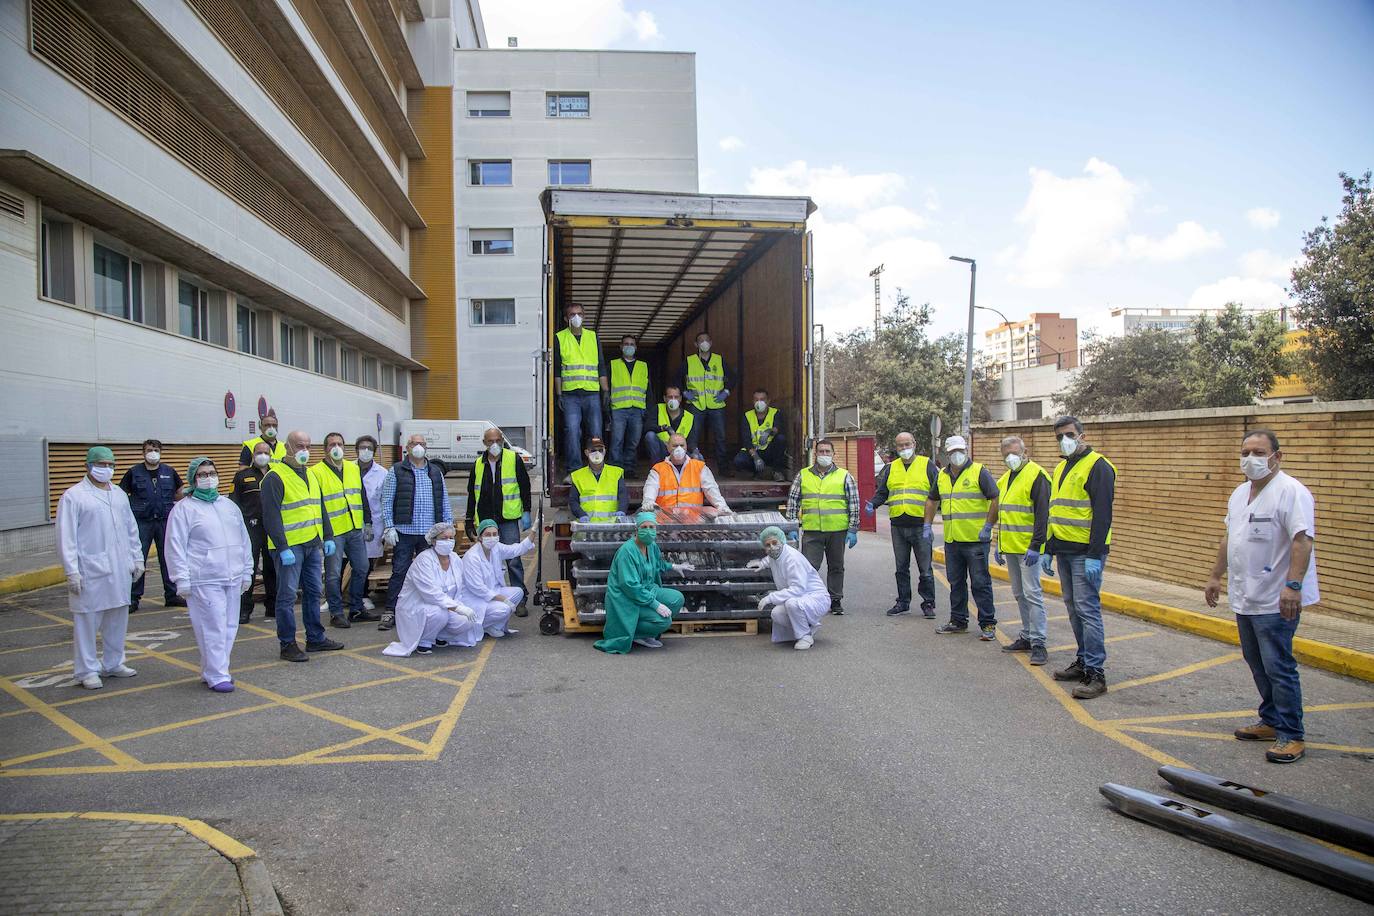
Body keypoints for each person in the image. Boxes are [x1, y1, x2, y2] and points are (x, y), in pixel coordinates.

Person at [1205, 429, 1318, 764]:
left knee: (1279, 666)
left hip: (1276, 599)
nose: (1250, 459)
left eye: (1259, 452)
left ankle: (1291, 734)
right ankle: (1270, 720)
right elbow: (1230, 538)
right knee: (1256, 663)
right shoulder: (1240, 493)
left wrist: (1293, 586)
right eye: (1246, 452)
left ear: (1276, 456)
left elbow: (1302, 541)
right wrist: (1215, 576)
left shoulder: (1292, 492)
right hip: (1246, 596)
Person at [56, 446, 143, 689]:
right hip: (90, 570)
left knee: (117, 617)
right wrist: (71, 570)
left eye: (110, 465)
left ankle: (114, 663)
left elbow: (131, 529)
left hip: (119, 568)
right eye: (101, 464)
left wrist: (137, 558)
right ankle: (86, 670)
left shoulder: (118, 494)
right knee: (87, 621)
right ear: (88, 466)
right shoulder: (74, 496)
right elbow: (67, 537)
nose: (106, 469)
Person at [1043, 416, 1117, 699]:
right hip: (1064, 550)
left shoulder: (1099, 466)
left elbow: (1102, 515)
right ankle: (1084, 660)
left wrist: (1095, 555)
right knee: (1074, 609)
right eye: (1060, 436)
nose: (1065, 440)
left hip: (1085, 554)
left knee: (1088, 610)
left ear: (1082, 434)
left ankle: (1096, 674)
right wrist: (1049, 549)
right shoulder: (1061, 467)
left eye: (1070, 434)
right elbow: (1056, 510)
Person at [164, 458, 252, 692]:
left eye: (211, 473)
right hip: (204, 578)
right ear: (193, 479)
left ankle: (212, 668)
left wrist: (247, 570)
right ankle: (217, 673)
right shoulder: (183, 509)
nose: (208, 477)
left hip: (232, 575)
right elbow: (175, 546)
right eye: (202, 474)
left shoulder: (227, 505)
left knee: (229, 625)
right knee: (212, 626)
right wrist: (181, 579)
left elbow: (243, 540)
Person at [261, 430, 344, 661]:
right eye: (299, 446)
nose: (304, 451)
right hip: (290, 548)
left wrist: (327, 536)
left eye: (308, 446)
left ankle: (315, 638)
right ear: (287, 447)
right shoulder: (274, 477)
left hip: (312, 544)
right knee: (287, 596)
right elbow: (271, 516)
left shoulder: (311, 475)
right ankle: (287, 644)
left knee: (314, 592)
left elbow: (320, 506)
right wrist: (282, 547)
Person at [931, 435, 1000, 640]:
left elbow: (995, 498)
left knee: (980, 583)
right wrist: (927, 525)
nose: (957, 455)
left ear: (966, 451)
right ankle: (958, 621)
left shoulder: (979, 472)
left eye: (960, 451)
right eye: (952, 452)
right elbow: (932, 499)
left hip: (976, 541)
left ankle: (988, 623)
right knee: (956, 583)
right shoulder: (942, 475)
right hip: (952, 541)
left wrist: (988, 525)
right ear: (947, 454)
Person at [381, 433, 451, 631]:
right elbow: (387, 500)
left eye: (422, 443)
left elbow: (444, 499)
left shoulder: (435, 471)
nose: (418, 446)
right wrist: (389, 526)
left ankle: (425, 609)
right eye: (414, 443)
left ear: (426, 447)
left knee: (428, 573)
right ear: (407, 447)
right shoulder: (396, 471)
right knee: (400, 571)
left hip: (429, 533)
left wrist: (447, 526)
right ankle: (390, 610)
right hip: (405, 531)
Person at [868, 431, 939, 619]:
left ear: (914, 444)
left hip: (920, 525)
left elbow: (937, 492)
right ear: (896, 447)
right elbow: (883, 492)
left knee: (925, 568)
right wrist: (872, 504)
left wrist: (929, 523)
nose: (904, 448)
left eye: (907, 444)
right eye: (900, 445)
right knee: (901, 567)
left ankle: (928, 603)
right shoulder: (891, 468)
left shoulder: (927, 464)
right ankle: (903, 602)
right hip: (898, 525)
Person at [382, 523, 481, 657]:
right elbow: (431, 594)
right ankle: (424, 641)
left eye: (451, 538)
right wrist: (457, 608)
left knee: (467, 620)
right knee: (439, 613)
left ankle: (439, 635)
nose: (449, 541)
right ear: (433, 540)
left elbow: (459, 587)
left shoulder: (455, 559)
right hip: (418, 607)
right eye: (444, 538)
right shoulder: (424, 560)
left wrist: (460, 606)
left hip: (445, 606)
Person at [595, 511, 689, 653]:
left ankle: (645, 631)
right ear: (636, 530)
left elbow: (656, 564)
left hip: (647, 590)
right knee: (665, 620)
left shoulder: (651, 546)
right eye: (644, 527)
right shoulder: (627, 552)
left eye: (652, 527)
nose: (649, 531)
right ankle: (633, 633)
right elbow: (630, 586)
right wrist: (655, 604)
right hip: (626, 598)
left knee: (677, 599)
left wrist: (674, 566)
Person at [993, 436, 1051, 666]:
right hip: (1011, 548)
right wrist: (998, 544)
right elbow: (1004, 514)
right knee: (1019, 594)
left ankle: (1039, 643)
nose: (1010, 457)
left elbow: (1043, 514)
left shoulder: (1037, 475)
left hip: (1029, 550)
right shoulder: (1005, 479)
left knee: (1033, 594)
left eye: (1014, 452)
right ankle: (1027, 635)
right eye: (1006, 454)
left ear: (1025, 451)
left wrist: (1037, 545)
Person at [464, 427, 532, 616]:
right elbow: (472, 493)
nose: (494, 445)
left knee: (513, 560)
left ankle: (520, 599)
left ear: (502, 441)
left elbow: (524, 486)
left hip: (508, 518)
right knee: (486, 561)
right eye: (490, 441)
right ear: (484, 443)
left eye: (498, 441)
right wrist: (469, 519)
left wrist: (526, 511)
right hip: (486, 520)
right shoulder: (478, 464)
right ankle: (490, 596)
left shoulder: (513, 458)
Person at [786, 439, 858, 614]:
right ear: (815, 454)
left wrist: (853, 529)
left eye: (827, 452)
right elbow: (793, 502)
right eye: (821, 451)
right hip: (812, 530)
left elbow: (853, 503)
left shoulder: (844, 475)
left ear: (834, 454)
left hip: (837, 531)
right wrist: (791, 527)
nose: (824, 455)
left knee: (836, 566)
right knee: (809, 567)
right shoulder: (803, 475)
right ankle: (810, 598)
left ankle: (835, 600)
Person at [312, 432, 371, 630]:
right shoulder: (316, 472)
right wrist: (324, 533)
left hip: (354, 527)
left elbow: (361, 495)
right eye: (331, 445)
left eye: (339, 444)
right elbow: (317, 504)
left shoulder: (353, 468)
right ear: (325, 448)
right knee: (333, 574)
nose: (336, 448)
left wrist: (368, 522)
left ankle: (355, 607)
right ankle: (336, 613)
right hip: (333, 532)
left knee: (362, 567)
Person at [118, 438, 184, 612]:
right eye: (148, 449)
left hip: (165, 520)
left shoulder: (169, 472)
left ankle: (172, 595)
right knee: (138, 560)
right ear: (143, 452)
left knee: (168, 558)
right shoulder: (133, 472)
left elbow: (179, 492)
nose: (152, 453)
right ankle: (133, 598)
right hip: (141, 521)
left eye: (155, 449)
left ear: (160, 452)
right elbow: (121, 494)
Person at [458, 518, 536, 639]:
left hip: (493, 592)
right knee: (504, 609)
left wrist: (534, 530)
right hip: (476, 599)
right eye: (488, 535)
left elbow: (516, 549)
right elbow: (478, 588)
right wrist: (503, 599)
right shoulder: (472, 557)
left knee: (518, 592)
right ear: (480, 537)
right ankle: (481, 625)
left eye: (495, 534)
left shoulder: (496, 547)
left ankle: (492, 626)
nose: (492, 537)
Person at [754, 526, 828, 650]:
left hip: (816, 598)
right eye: (767, 545)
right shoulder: (777, 555)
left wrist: (770, 598)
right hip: (802, 597)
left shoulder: (792, 559)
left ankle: (805, 636)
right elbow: (773, 558)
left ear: (781, 541)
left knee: (791, 604)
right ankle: (807, 627)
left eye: (774, 542)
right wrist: (762, 563)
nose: (772, 547)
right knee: (776, 614)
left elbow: (798, 589)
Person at [554, 302, 609, 471]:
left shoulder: (593, 336)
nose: (576, 317)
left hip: (592, 393)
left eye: (579, 314)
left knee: (595, 432)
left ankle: (597, 466)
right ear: (566, 318)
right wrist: (559, 394)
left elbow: (600, 365)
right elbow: (557, 369)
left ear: (584, 316)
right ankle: (574, 469)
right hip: (570, 395)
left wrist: (606, 391)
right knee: (572, 431)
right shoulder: (560, 337)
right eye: (572, 314)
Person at [230, 441, 278, 624]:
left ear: (271, 455)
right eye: (259, 452)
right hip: (250, 528)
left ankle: (272, 606)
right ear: (253, 455)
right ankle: (244, 609)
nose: (262, 455)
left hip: (271, 528)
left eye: (266, 452)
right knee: (247, 569)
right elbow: (234, 503)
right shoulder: (242, 476)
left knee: (271, 568)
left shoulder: (276, 474)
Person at [678, 330, 735, 469]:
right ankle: (691, 466)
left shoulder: (719, 360)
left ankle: (723, 467)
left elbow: (733, 377)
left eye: (707, 340)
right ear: (696, 344)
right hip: (696, 404)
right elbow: (676, 379)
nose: (704, 343)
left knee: (720, 437)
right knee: (693, 436)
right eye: (701, 340)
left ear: (711, 343)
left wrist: (726, 392)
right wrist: (685, 393)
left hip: (716, 403)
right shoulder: (689, 361)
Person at [641, 434, 732, 512]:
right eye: (675, 446)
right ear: (668, 447)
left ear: (686, 447)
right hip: (665, 520)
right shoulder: (658, 469)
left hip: (693, 521)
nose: (679, 448)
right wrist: (648, 501)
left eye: (682, 445)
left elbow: (711, 490)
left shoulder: (699, 467)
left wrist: (722, 507)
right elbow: (651, 487)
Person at [355, 434, 387, 617]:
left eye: (369, 448)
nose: (365, 451)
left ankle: (363, 594)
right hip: (349, 521)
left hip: (373, 521)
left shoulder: (382, 473)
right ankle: (336, 596)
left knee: (366, 561)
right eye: (362, 447)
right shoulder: (347, 468)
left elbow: (385, 500)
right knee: (344, 560)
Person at [608, 334, 649, 469]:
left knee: (634, 441)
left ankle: (629, 467)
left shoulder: (643, 366)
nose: (629, 347)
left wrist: (648, 409)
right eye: (626, 344)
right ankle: (615, 468)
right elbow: (607, 388)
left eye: (632, 344)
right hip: (618, 409)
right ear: (621, 347)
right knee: (617, 440)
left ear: (636, 347)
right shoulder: (613, 365)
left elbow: (649, 390)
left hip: (637, 409)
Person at [731, 389, 787, 481]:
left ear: (768, 401)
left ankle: (777, 471)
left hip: (769, 450)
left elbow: (778, 428)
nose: (759, 402)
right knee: (739, 461)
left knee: (781, 439)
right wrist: (756, 457)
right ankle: (759, 472)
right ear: (753, 401)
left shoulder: (775, 413)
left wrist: (768, 432)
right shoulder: (747, 416)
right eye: (756, 400)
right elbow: (746, 440)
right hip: (753, 451)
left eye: (762, 399)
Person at [570, 437, 627, 523]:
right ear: (586, 452)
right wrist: (581, 514)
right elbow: (573, 500)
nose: (597, 453)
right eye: (593, 450)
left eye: (600, 450)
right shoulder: (578, 476)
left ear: (605, 451)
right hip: (587, 527)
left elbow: (623, 496)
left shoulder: (616, 473)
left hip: (611, 526)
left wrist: (621, 510)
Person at [643, 386, 698, 464]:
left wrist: (695, 451)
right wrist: (663, 428)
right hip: (662, 449)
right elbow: (647, 427)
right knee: (650, 436)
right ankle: (658, 467)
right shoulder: (658, 408)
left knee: (698, 457)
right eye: (670, 397)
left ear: (680, 399)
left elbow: (692, 441)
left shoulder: (689, 416)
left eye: (676, 397)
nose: (673, 400)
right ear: (665, 398)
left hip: (680, 451)